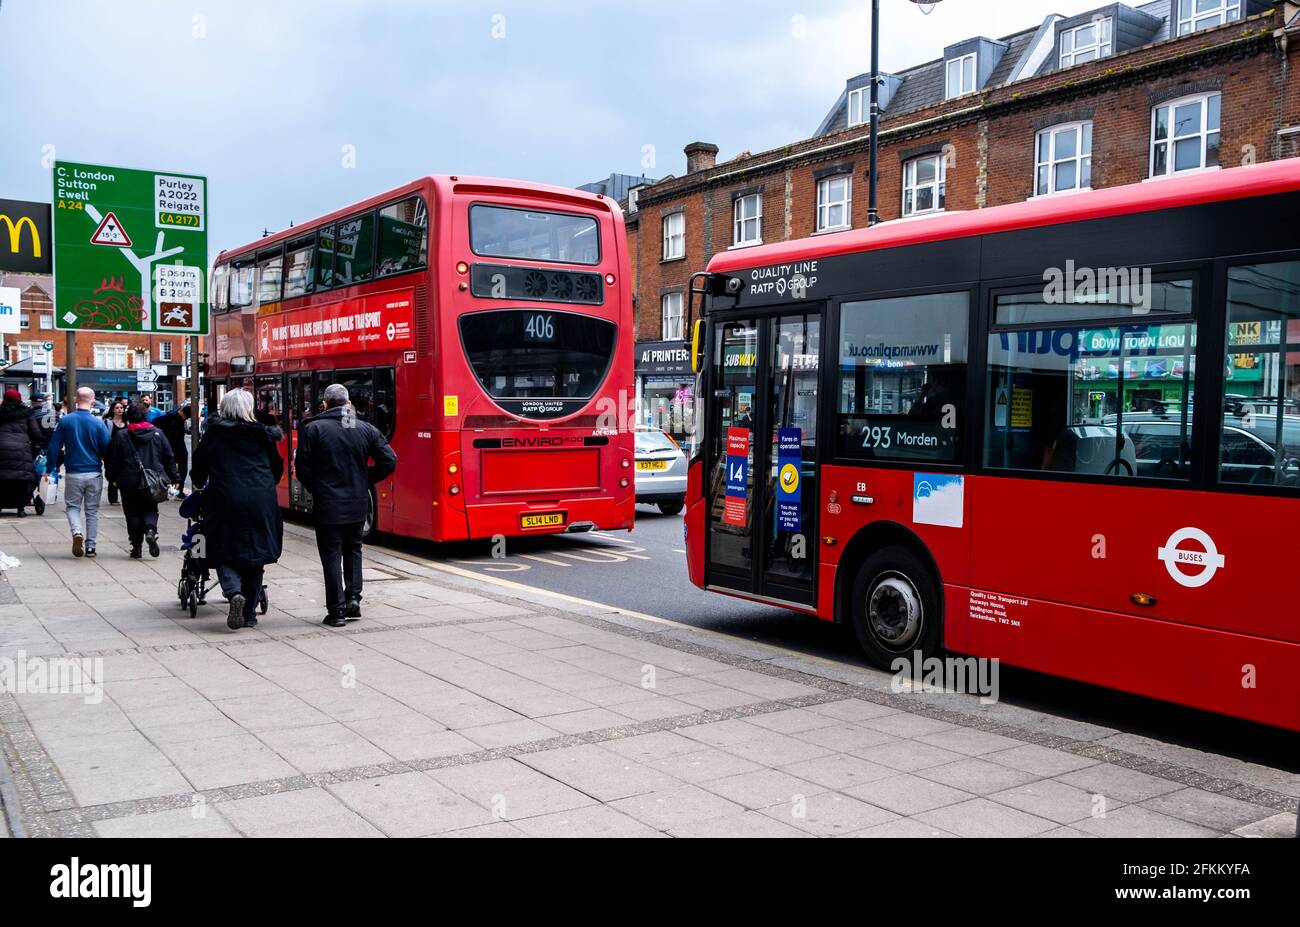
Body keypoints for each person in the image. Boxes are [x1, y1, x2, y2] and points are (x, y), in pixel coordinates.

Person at [296, 383, 397, 627]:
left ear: (325, 404)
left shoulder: (313, 428)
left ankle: (337, 611)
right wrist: (364, 479)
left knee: (331, 554)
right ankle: (353, 599)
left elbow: (302, 470)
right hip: (357, 502)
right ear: (348, 403)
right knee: (353, 549)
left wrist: (318, 486)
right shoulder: (365, 428)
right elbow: (389, 460)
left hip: (327, 504)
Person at [191, 389, 284, 631]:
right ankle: (250, 614)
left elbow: (199, 467)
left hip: (225, 498)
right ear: (250, 408)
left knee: (222, 550)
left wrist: (199, 483)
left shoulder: (214, 434)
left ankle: (233, 594)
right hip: (260, 499)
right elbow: (277, 467)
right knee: (256, 555)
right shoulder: (263, 434)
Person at [105, 400, 179, 559]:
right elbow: (169, 457)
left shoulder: (121, 435)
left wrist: (111, 477)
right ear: (145, 416)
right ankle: (151, 530)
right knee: (151, 508)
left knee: (131, 512)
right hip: (153, 480)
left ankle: (136, 546)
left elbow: (113, 459)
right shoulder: (158, 433)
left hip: (128, 480)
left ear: (128, 416)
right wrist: (174, 477)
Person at [46, 387, 111, 557]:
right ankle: (91, 547)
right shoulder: (98, 423)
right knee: (92, 511)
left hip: (74, 472)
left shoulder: (65, 421)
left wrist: (49, 467)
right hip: (94, 472)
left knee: (73, 507)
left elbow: (54, 447)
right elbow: (108, 448)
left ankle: (76, 532)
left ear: (76, 400)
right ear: (93, 400)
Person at [0, 389, 45, 518]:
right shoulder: (27, 413)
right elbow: (36, 433)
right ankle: (21, 507)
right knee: (22, 479)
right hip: (22, 451)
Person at [154, 403, 191, 498]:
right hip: (170, 447)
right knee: (169, 470)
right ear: (182, 412)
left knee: (182, 469)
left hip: (179, 447)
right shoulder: (171, 416)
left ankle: (179, 490)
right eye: (185, 416)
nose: (185, 419)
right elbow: (155, 422)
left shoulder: (179, 419)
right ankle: (167, 490)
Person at [102, 398, 128, 505]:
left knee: (125, 474)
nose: (119, 410)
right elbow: (103, 438)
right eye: (117, 408)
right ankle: (113, 498)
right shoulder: (108, 423)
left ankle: (124, 495)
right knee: (112, 474)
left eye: (121, 408)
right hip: (111, 453)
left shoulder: (127, 423)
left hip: (125, 453)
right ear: (112, 410)